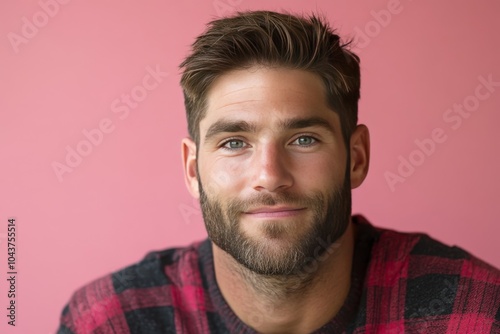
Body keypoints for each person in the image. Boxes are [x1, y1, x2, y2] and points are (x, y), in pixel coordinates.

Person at [57, 10, 500, 334]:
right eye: (234, 143)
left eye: (303, 139)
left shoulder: (472, 313)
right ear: (193, 170)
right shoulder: (110, 321)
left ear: (357, 157)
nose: (270, 176)